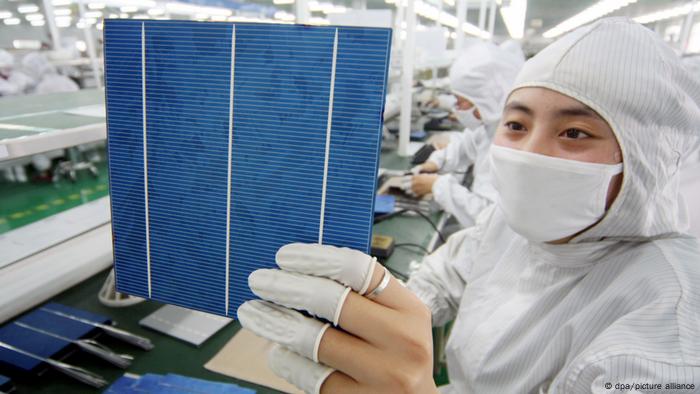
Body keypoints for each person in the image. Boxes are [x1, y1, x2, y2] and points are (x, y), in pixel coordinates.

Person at [238, 18, 700, 393]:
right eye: (517, 125)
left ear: (647, 158)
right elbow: (448, 274)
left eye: (574, 133)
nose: (530, 154)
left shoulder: (667, 337)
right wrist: (382, 312)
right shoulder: (516, 227)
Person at [402, 39, 523, 227]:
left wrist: (437, 186)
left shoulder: (508, 142)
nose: (456, 107)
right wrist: (436, 161)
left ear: (484, 99)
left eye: (460, 100)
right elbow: (465, 146)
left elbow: (489, 219)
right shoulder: (491, 126)